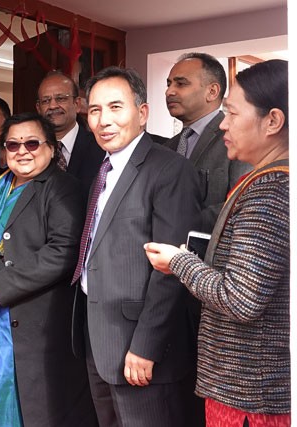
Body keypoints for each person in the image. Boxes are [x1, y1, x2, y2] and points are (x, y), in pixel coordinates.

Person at [144, 59, 290, 427]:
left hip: (250, 393)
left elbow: (241, 299)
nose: (223, 123)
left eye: (232, 113)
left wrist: (178, 262)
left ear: (272, 120)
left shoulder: (270, 191)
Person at [73, 66, 201, 427]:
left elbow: (173, 270)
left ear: (142, 114)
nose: (103, 120)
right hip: (98, 339)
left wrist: (146, 345)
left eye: (116, 107)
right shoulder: (102, 168)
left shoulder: (169, 170)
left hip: (141, 348)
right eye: (95, 110)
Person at [0, 113, 96, 426]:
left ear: (51, 147)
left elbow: (64, 252)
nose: (22, 151)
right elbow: (4, 246)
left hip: (33, 320)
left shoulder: (62, 187)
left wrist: (1, 286)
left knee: (18, 404)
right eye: (13, 144)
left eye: (31, 143)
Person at [164, 52, 252, 231]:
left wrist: (176, 221)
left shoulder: (237, 141)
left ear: (212, 91)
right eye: (169, 84)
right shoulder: (166, 148)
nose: (169, 91)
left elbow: (242, 205)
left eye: (181, 84)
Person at [36, 71, 105, 193]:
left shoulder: (101, 147)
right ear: (38, 108)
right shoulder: (29, 149)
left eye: (60, 98)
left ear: (77, 104)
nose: (52, 106)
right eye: (46, 101)